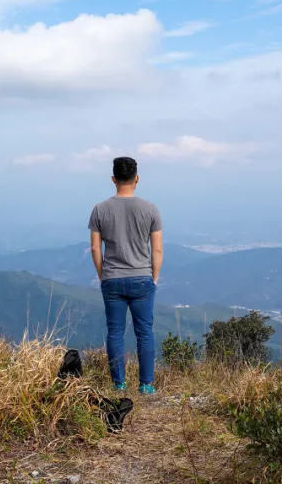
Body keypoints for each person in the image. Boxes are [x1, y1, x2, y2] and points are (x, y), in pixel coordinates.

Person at [88, 156, 163, 395]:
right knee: (145, 332)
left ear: (113, 179)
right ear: (137, 178)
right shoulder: (150, 209)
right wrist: (154, 277)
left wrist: (102, 275)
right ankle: (146, 385)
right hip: (142, 277)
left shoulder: (100, 210)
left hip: (112, 278)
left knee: (115, 332)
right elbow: (157, 249)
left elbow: (94, 248)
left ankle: (119, 384)